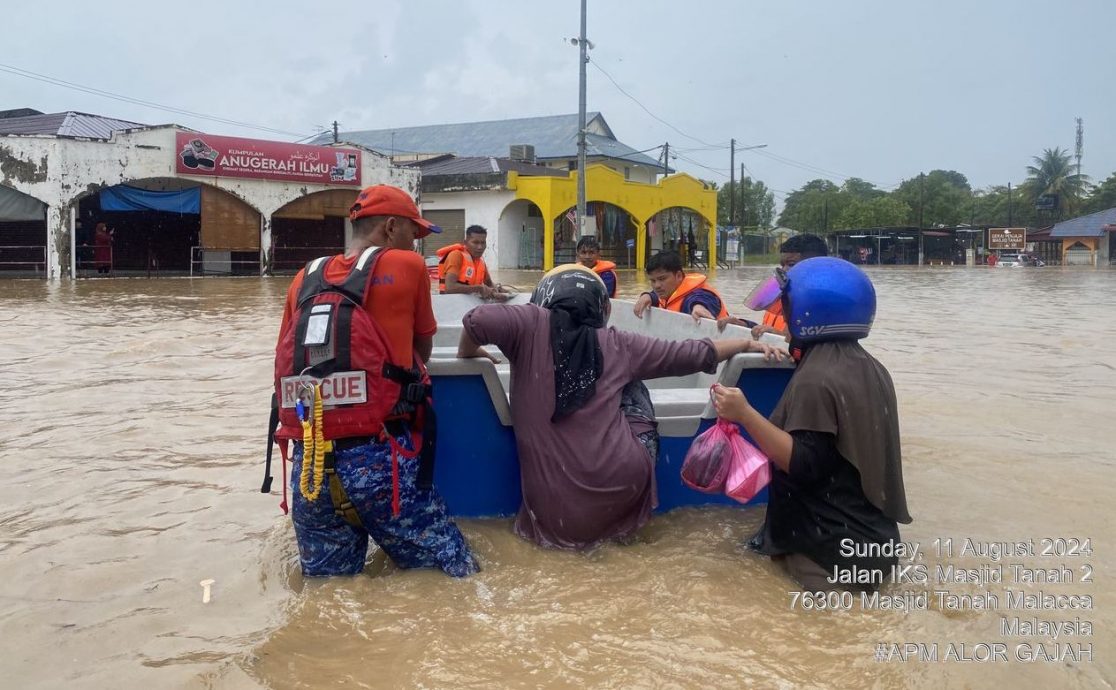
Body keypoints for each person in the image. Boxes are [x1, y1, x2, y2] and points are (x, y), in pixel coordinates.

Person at [457, 264, 785, 550]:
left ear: (545, 299)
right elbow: (689, 354)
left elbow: (476, 321)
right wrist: (743, 343)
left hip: (552, 509)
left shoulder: (527, 323)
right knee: (631, 380)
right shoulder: (619, 343)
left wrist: (468, 354)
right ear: (601, 308)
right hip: (623, 481)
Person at [274, 184, 478, 578]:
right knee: (452, 578)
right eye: (413, 234)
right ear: (389, 227)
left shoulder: (302, 278)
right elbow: (422, 348)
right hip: (381, 460)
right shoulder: (409, 267)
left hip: (310, 466)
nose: (417, 246)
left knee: (327, 591)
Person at [712, 257, 911, 592]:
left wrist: (744, 413)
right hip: (872, 540)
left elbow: (803, 464)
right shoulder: (872, 367)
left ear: (809, 315)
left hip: (826, 554)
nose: (784, 322)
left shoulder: (816, 379)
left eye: (786, 312)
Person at [720, 233, 829, 337]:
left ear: (816, 268)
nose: (784, 270)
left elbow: (819, 347)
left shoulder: (829, 306)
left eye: (791, 264)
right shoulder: (780, 300)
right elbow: (767, 329)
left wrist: (781, 338)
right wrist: (744, 326)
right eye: (782, 265)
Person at [633, 251, 727, 322]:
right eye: (653, 281)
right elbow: (658, 298)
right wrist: (648, 296)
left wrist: (699, 307)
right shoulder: (667, 292)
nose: (657, 285)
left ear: (678, 276)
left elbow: (700, 299)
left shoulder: (700, 293)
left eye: (662, 279)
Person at [437, 224, 508, 299]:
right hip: (451, 303)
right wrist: (479, 288)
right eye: (475, 243)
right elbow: (450, 288)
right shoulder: (456, 255)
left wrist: (497, 290)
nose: (480, 247)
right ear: (465, 242)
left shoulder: (481, 262)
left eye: (483, 243)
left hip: (471, 304)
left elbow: (489, 284)